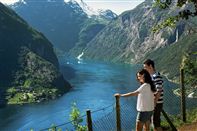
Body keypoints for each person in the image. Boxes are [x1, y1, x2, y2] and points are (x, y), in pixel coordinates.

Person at [144, 59, 164, 131]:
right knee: (148, 121)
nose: (144, 69)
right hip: (151, 103)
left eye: (145, 67)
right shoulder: (151, 76)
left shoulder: (156, 76)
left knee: (156, 123)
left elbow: (159, 91)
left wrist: (154, 102)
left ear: (151, 66)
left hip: (156, 103)